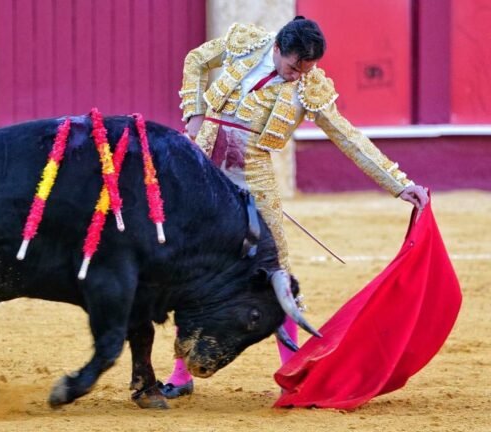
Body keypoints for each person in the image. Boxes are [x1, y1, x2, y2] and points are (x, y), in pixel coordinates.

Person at [161, 16, 430, 398]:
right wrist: (194, 112)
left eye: (306, 69)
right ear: (277, 49)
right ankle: (180, 374)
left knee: (276, 272)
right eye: (292, 67)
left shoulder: (309, 86)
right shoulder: (246, 43)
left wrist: (399, 183)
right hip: (202, 169)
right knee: (191, 265)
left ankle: (292, 371)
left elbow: (348, 137)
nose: (296, 76)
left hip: (252, 177)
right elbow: (196, 59)